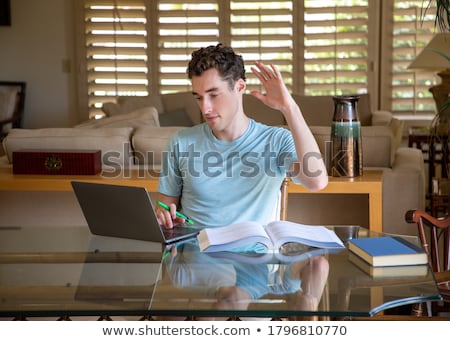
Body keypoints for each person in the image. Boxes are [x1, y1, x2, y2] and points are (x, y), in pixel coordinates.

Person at [155, 43, 328, 229]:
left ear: (239, 87)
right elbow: (165, 209)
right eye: (198, 97)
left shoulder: (276, 141)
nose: (205, 108)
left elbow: (316, 182)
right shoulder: (181, 143)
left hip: (254, 255)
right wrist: (164, 216)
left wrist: (290, 108)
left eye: (214, 95)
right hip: (198, 254)